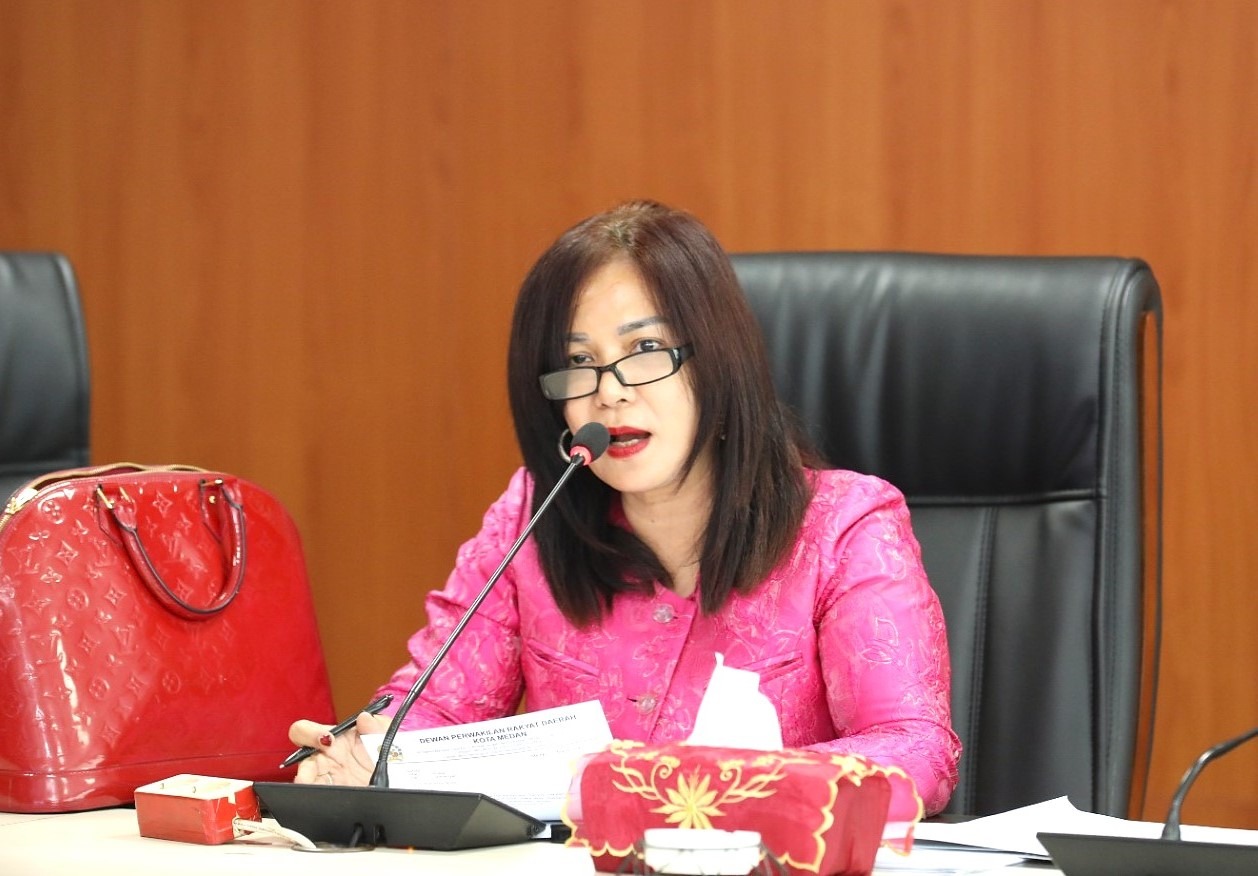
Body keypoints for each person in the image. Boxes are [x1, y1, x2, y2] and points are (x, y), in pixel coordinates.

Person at [288, 199, 961, 818]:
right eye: (578, 362)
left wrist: (685, 785)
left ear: (716, 361)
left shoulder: (844, 527)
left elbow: (914, 751)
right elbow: (434, 707)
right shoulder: (534, 515)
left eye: (644, 351)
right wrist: (368, 753)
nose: (608, 393)